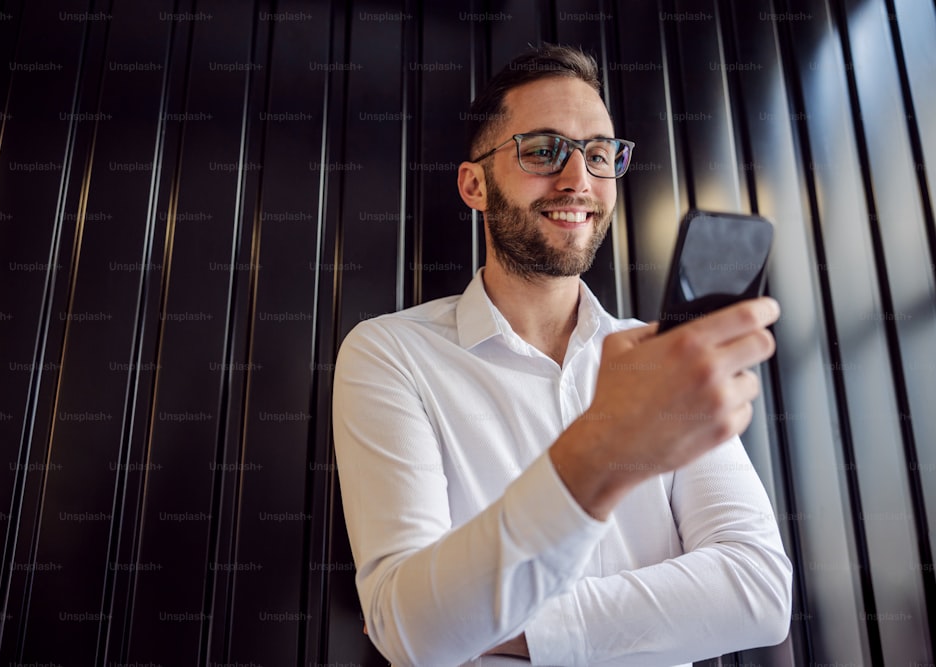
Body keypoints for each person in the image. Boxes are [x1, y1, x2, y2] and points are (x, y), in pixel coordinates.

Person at [332, 44, 792, 666]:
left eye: (599, 155)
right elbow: (415, 634)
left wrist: (509, 627)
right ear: (474, 184)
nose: (579, 181)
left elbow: (758, 589)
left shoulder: (666, 361)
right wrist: (603, 451)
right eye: (543, 151)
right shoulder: (390, 355)